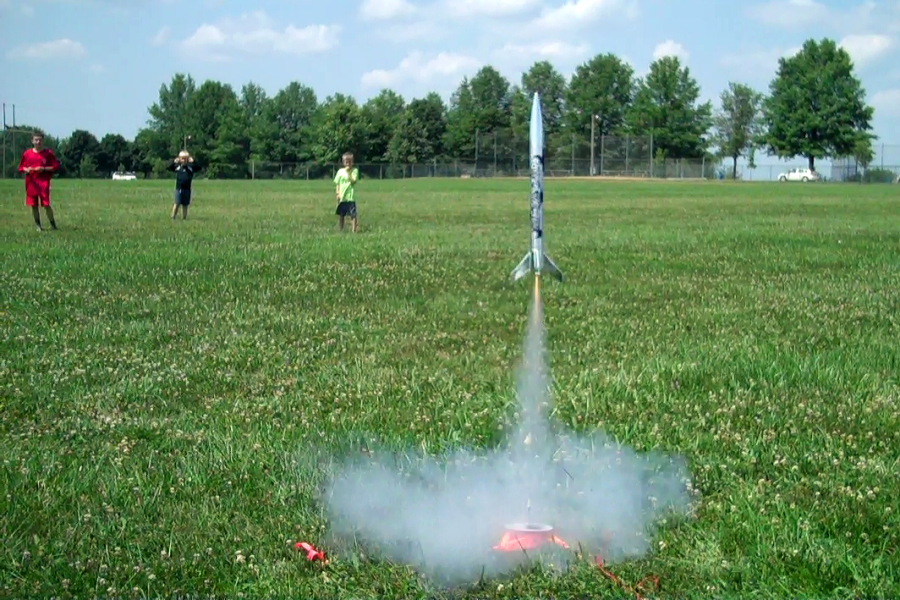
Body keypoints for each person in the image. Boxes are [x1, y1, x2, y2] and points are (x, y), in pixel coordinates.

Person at [17, 132, 60, 231]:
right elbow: (21, 167)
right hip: (31, 183)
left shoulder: (48, 153)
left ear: (43, 141)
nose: (38, 142)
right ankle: (38, 226)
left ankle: (53, 225)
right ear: (32, 141)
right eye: (36, 140)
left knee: (46, 204)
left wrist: (43, 169)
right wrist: (26, 169)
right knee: (34, 205)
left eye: (40, 140)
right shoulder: (27, 153)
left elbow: (55, 167)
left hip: (43, 182)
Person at [167, 150, 199, 220]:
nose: (184, 160)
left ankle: (184, 217)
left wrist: (194, 161)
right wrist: (174, 161)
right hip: (179, 188)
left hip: (187, 189)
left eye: (186, 158)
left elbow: (198, 167)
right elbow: (169, 167)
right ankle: (173, 216)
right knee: (177, 203)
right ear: (179, 159)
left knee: (185, 204)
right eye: (182, 158)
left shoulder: (190, 167)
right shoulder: (177, 167)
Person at [333, 152, 359, 232]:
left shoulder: (354, 171)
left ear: (352, 162)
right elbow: (337, 183)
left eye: (350, 162)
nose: (348, 164)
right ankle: (341, 229)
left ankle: (354, 230)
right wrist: (337, 193)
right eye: (346, 162)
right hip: (342, 197)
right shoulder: (340, 172)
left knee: (353, 215)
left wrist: (349, 173)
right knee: (341, 214)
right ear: (343, 162)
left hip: (350, 197)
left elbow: (353, 181)